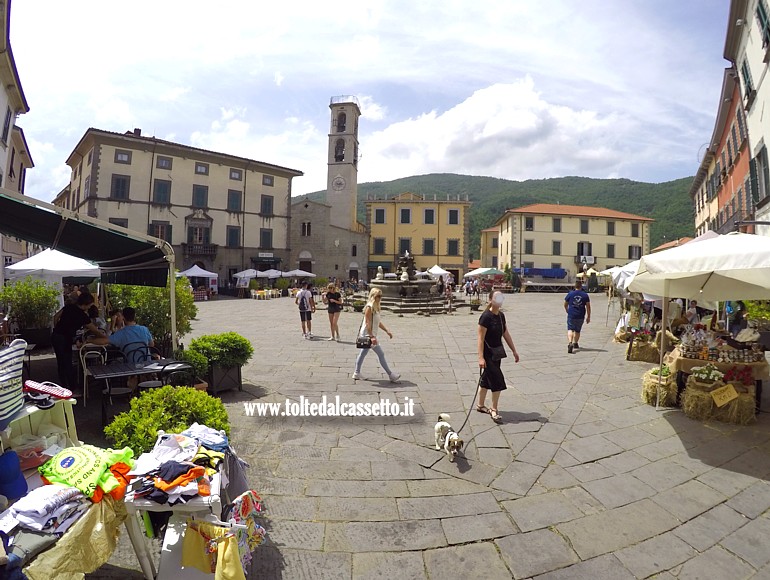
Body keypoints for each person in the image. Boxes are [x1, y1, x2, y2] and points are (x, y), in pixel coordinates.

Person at [477, 291, 519, 423]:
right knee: (497, 380)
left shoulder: (501, 316)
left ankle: (480, 405)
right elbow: (480, 338)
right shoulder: (485, 317)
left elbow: (505, 333)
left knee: (486, 380)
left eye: (501, 297)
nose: (499, 300)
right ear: (490, 300)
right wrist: (481, 358)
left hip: (497, 353)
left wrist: (514, 350)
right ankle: (493, 409)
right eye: (497, 297)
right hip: (488, 354)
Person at [51, 292, 101, 390]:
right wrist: (104, 337)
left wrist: (57, 327)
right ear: (86, 304)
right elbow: (94, 330)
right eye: (90, 304)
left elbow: (55, 317)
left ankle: (63, 385)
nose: (91, 306)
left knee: (61, 362)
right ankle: (72, 388)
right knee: (68, 362)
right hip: (65, 338)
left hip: (56, 335)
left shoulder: (69, 306)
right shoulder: (82, 316)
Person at [352, 288, 400, 383]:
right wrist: (372, 337)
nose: (380, 298)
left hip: (370, 334)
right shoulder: (369, 308)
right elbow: (368, 322)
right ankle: (391, 375)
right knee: (380, 354)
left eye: (381, 296)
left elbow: (378, 322)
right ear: (373, 296)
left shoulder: (376, 307)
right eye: (378, 296)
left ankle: (356, 373)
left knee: (363, 354)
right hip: (368, 335)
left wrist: (387, 330)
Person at [88, 306, 155, 359]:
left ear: (124, 318)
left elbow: (104, 341)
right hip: (146, 363)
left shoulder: (121, 333)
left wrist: (89, 341)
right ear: (134, 316)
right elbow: (152, 345)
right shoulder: (144, 329)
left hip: (130, 365)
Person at [564, 279, 591, 353]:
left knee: (570, 329)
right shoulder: (585, 295)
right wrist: (588, 316)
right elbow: (588, 307)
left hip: (571, 314)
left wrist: (567, 309)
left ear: (575, 286)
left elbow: (565, 303)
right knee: (577, 330)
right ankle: (575, 343)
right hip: (580, 315)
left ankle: (570, 343)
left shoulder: (570, 293)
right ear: (581, 286)